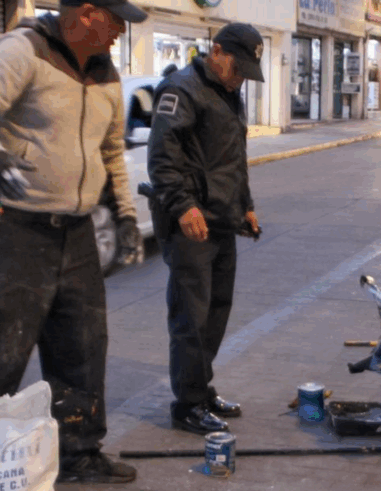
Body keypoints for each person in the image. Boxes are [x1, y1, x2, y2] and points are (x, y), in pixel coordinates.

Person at [0, 0, 148, 491]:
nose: (121, 31)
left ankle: (77, 451)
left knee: (83, 347)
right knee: (2, 348)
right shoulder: (24, 49)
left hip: (74, 231)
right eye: (117, 20)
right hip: (12, 227)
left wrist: (126, 217)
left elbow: (111, 151)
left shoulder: (105, 72)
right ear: (89, 12)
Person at [146, 23, 264, 435]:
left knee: (215, 312)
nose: (241, 78)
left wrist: (245, 206)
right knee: (191, 316)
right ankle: (187, 405)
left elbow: (234, 158)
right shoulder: (182, 90)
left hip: (223, 220)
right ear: (216, 51)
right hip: (190, 224)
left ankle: (201, 388)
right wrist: (182, 206)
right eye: (238, 67)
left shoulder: (230, 94)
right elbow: (163, 157)